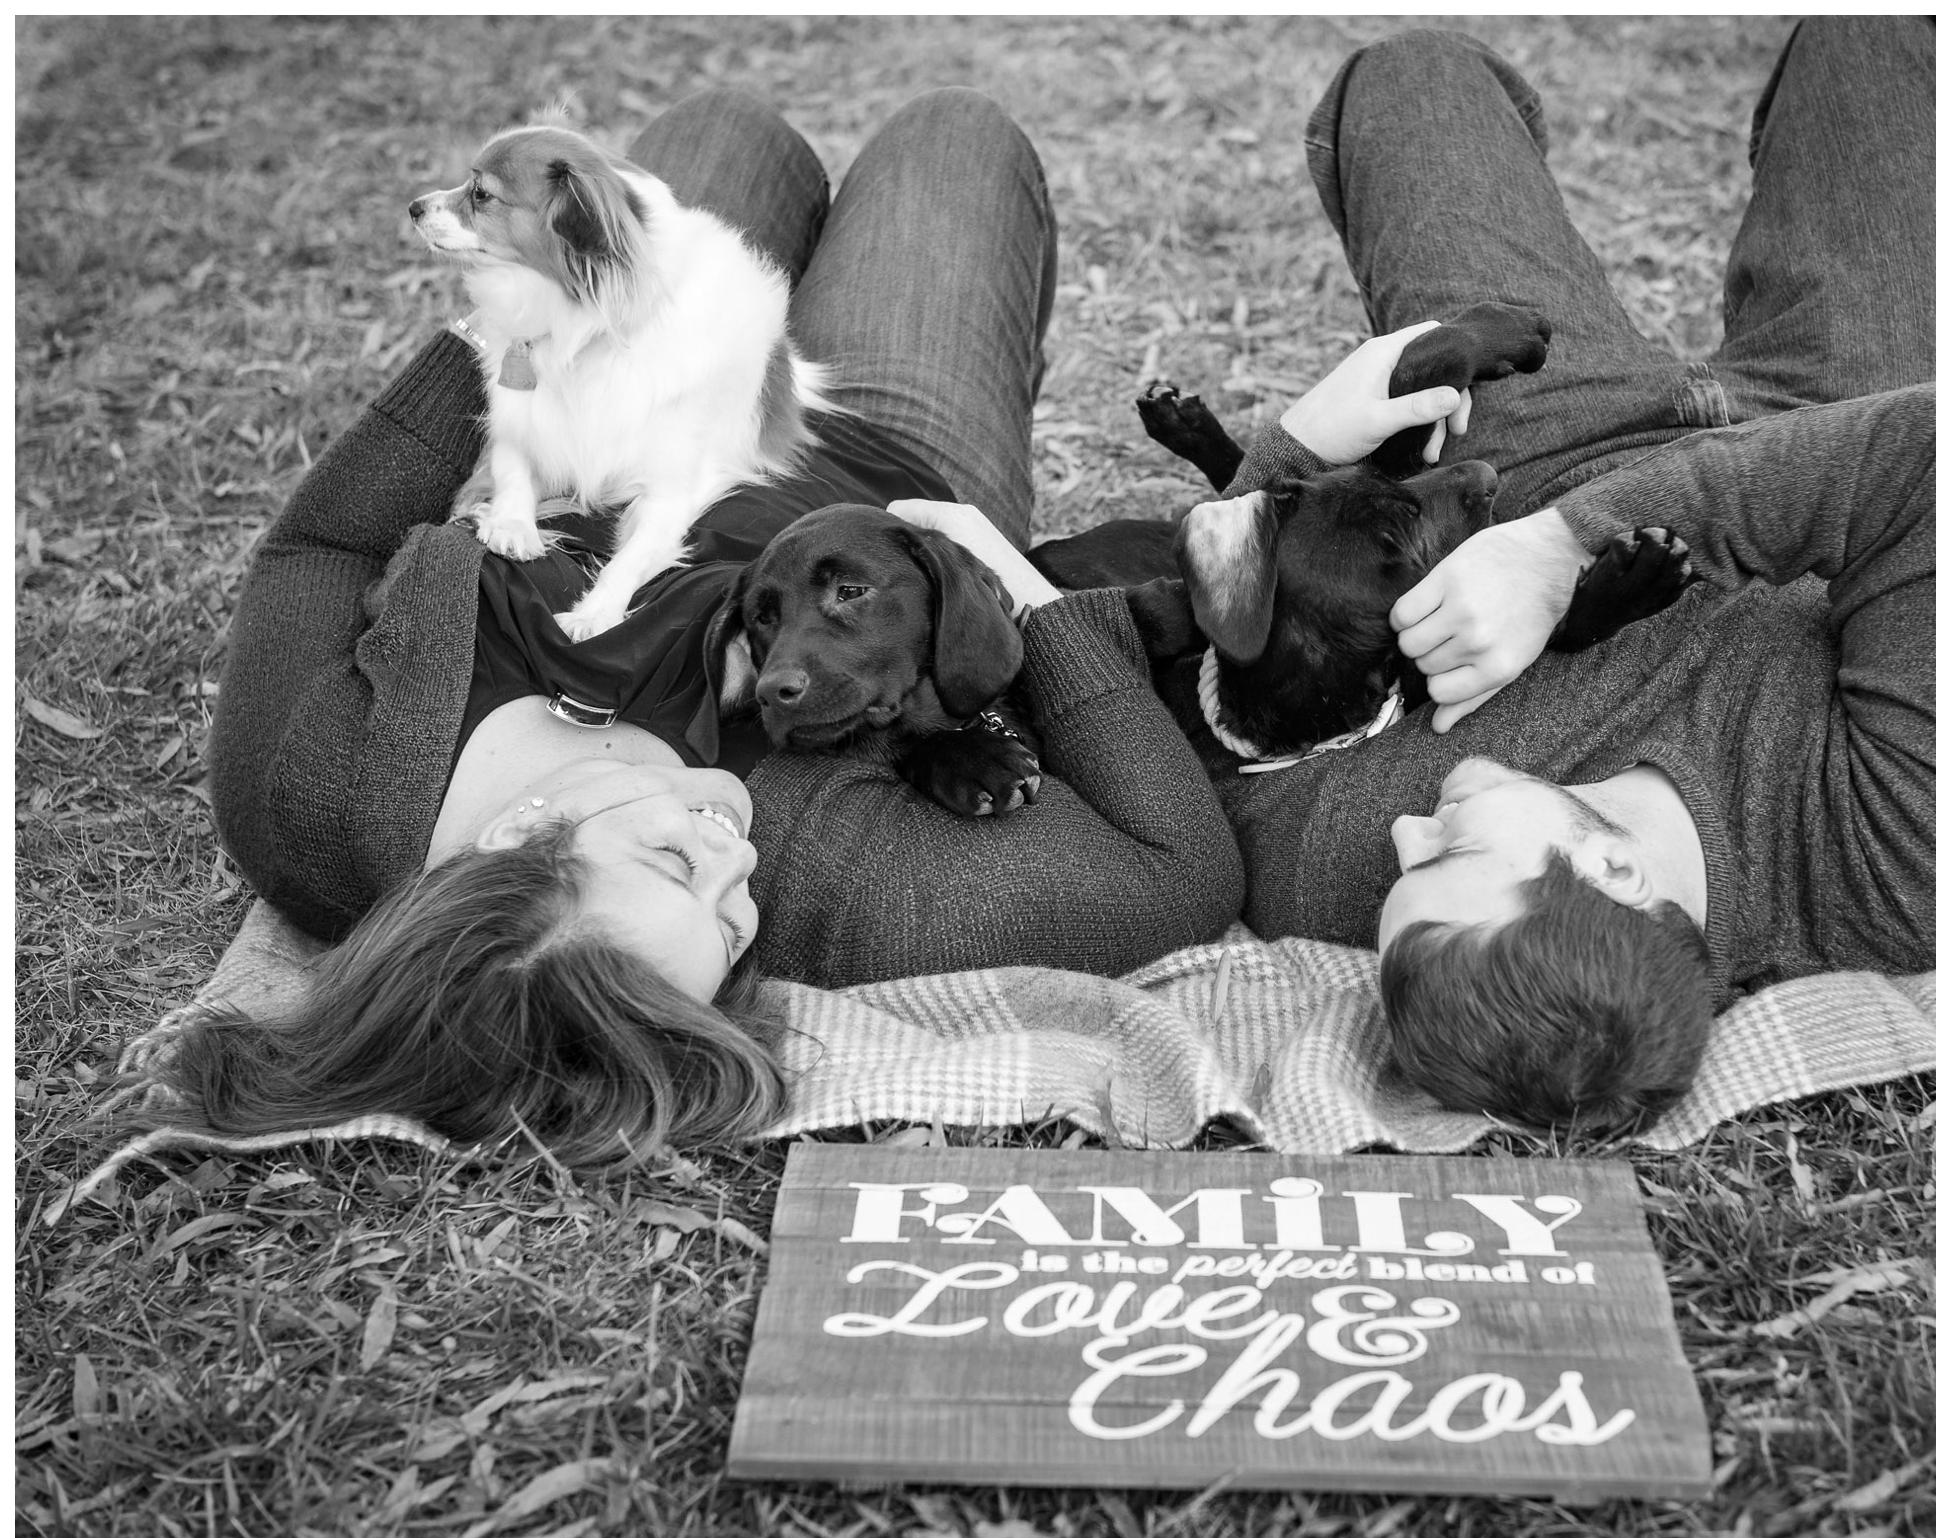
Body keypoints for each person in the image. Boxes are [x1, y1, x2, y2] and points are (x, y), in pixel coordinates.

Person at [170, 87, 1247, 1164]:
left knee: (730, 130)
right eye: (733, 933)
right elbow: (1180, 874)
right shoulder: (843, 895)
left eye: (673, 861)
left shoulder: (303, 795)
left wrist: (514, 324)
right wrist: (1012, 584)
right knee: (951, 138)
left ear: (511, 844)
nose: (730, 846)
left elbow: (321, 551)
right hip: (878, 454)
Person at [1176, 21, 1936, 1135]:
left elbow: (1241, 707)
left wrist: (1297, 451)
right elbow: (1925, 460)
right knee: (1879, 40)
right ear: (1611, 868)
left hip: (1537, 442)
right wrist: (1561, 549)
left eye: (1408, 868)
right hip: (1837, 424)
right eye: (1451, 851)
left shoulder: (1355, 874)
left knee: (1408, 81)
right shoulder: (1924, 862)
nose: (1405, 840)